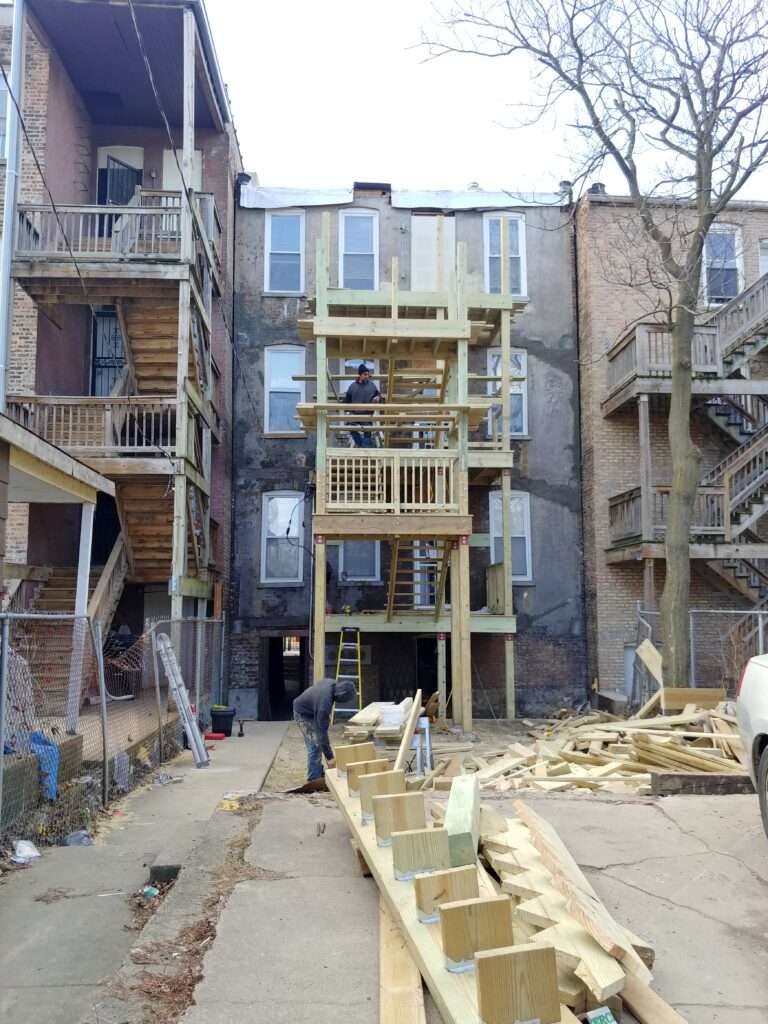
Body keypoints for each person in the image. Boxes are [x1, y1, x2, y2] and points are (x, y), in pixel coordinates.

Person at [293, 678, 357, 782]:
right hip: (302, 713)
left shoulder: (331, 683)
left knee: (318, 742)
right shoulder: (324, 704)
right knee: (315, 745)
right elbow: (321, 733)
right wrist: (330, 757)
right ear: (341, 695)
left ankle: (318, 771)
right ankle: (314, 779)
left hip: (311, 710)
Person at [344, 364, 382, 447]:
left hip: (367, 414)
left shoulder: (372, 386)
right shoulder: (352, 386)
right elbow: (346, 401)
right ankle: (362, 446)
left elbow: (379, 396)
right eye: (365, 374)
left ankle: (364, 448)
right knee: (351, 427)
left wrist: (377, 398)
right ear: (360, 375)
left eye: (368, 374)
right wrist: (346, 411)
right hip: (355, 414)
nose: (367, 376)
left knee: (368, 431)